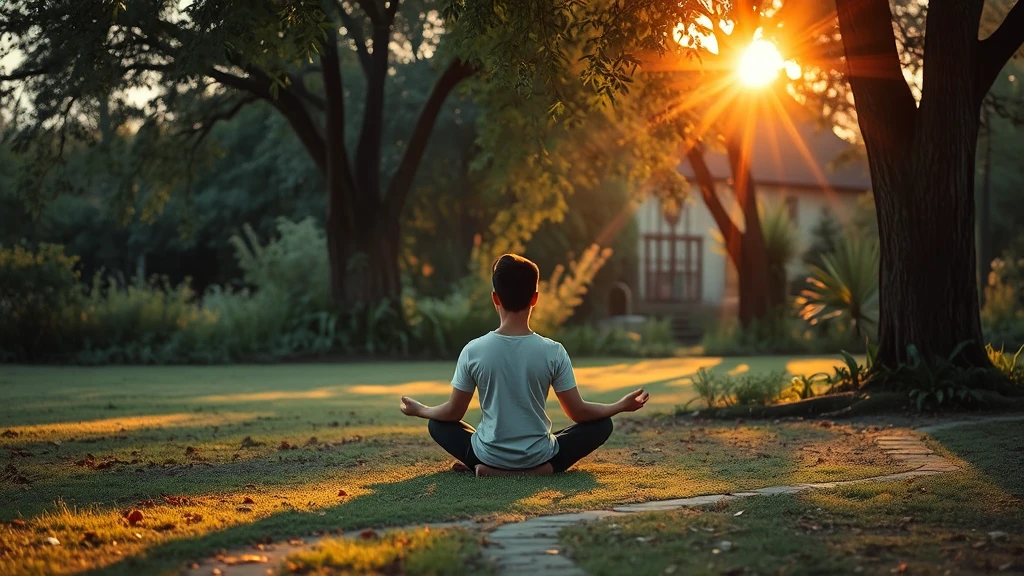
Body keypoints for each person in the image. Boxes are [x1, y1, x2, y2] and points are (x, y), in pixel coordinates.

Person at [398, 253, 650, 477]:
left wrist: (421, 409)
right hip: (539, 455)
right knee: (602, 424)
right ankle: (544, 470)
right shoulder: (553, 351)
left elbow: (453, 414)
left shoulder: (473, 350)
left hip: (488, 455)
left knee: (437, 423)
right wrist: (619, 406)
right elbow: (579, 413)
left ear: (495, 298)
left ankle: (490, 468)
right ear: (535, 298)